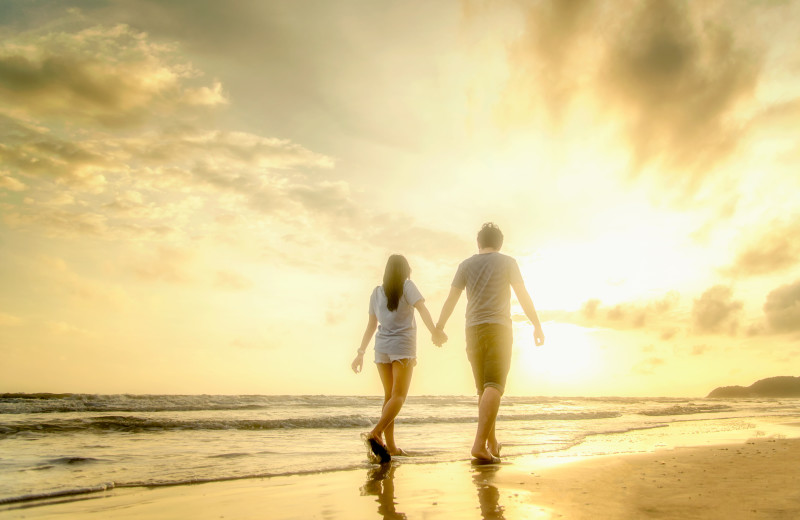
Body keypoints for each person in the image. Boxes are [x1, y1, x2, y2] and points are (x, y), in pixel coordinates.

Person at [435, 222, 545, 462]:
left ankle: (491, 443)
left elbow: (451, 299)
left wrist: (439, 327)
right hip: (498, 329)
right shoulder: (507, 262)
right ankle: (478, 444)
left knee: (484, 389)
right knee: (495, 386)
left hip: (472, 329)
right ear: (499, 244)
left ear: (479, 243)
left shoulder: (465, 265)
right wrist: (536, 324)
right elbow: (522, 294)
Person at [352, 254, 447, 463]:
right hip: (402, 347)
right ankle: (375, 433)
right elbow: (422, 309)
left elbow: (370, 325)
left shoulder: (376, 292)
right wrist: (434, 332)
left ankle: (392, 447)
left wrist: (360, 353)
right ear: (405, 271)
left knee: (389, 397)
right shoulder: (407, 286)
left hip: (381, 348)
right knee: (399, 396)